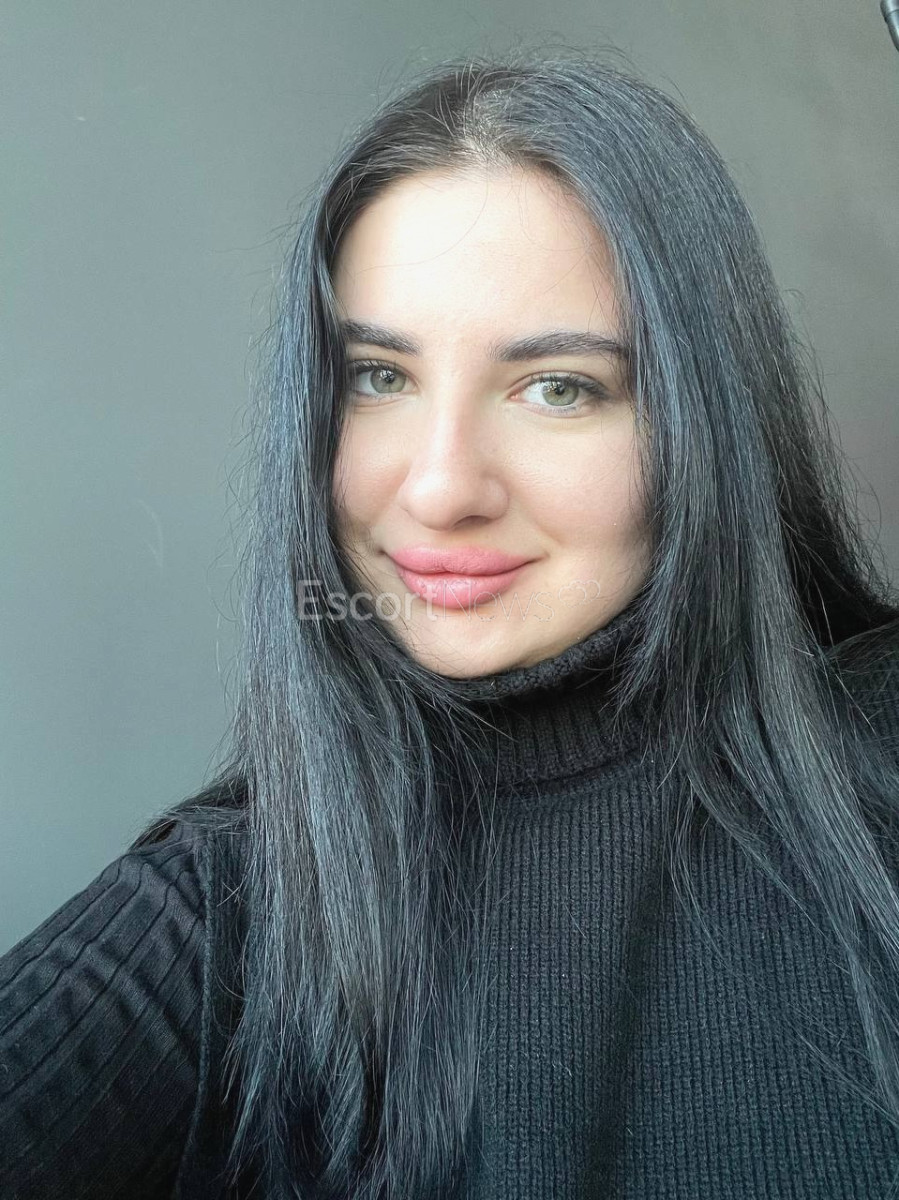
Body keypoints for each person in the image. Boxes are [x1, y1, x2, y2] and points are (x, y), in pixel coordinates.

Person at [3, 47, 899, 1200]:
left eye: (558, 387)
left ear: (702, 423)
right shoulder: (229, 904)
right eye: (378, 376)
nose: (437, 489)